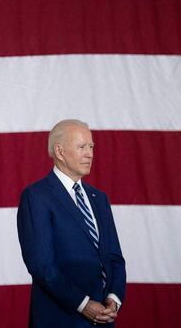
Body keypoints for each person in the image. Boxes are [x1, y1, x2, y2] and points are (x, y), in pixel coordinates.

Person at [17, 119, 126, 327]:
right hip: (60, 318)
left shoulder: (99, 198)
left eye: (91, 146)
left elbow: (114, 257)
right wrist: (83, 304)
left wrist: (114, 298)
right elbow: (42, 265)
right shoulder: (36, 196)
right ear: (59, 152)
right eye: (81, 147)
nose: (90, 153)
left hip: (103, 319)